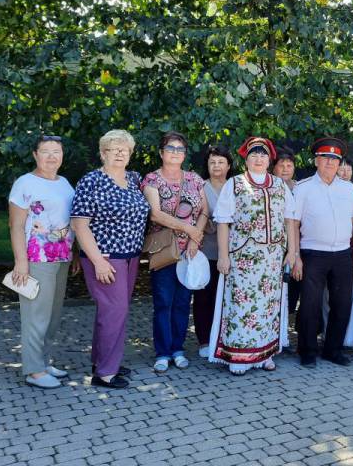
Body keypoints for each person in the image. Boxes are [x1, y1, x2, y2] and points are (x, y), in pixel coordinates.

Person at [208, 137, 297, 374]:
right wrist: (224, 256)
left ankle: (265, 353)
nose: (259, 159)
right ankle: (239, 355)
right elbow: (223, 222)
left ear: (270, 160)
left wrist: (292, 251)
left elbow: (290, 219)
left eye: (263, 155)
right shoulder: (235, 184)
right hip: (243, 258)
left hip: (273, 258)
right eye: (254, 155)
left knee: (268, 305)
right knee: (242, 304)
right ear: (246, 159)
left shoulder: (279, 185)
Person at [71, 130, 150, 389]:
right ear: (103, 153)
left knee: (112, 312)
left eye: (124, 149)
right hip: (105, 257)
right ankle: (104, 374)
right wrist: (99, 262)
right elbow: (79, 225)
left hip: (130, 256)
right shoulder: (91, 181)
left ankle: (103, 360)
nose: (119, 153)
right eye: (113, 149)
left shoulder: (134, 178)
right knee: (115, 311)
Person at [290, 137, 353, 368]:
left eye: (335, 159)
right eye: (325, 158)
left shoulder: (348, 189)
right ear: (316, 161)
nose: (330, 163)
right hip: (312, 253)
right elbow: (293, 224)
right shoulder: (303, 188)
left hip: (343, 254)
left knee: (341, 304)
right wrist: (296, 257)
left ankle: (333, 350)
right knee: (310, 305)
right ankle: (308, 351)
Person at [8, 135, 75, 389]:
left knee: (53, 315)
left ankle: (43, 361)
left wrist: (75, 252)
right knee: (36, 314)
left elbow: (71, 221)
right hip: (37, 258)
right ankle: (33, 371)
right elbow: (15, 226)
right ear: (35, 155)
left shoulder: (65, 183)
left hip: (62, 256)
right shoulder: (25, 183)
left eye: (56, 151)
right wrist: (20, 262)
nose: (51, 156)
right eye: (45, 151)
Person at [142, 131, 207, 373]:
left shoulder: (194, 179)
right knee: (163, 303)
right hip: (164, 251)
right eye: (171, 148)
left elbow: (205, 212)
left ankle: (178, 349)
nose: (176, 153)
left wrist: (194, 238)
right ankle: (162, 352)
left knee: (182, 303)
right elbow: (155, 214)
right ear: (161, 153)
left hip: (189, 251)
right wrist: (188, 229)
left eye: (180, 149)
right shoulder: (152, 180)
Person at [194, 145, 233, 358]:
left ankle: (225, 338)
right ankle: (204, 340)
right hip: (206, 252)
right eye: (212, 162)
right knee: (204, 298)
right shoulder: (200, 186)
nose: (216, 166)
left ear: (229, 166)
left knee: (228, 298)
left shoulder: (236, 186)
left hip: (232, 254)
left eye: (220, 162)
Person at [272, 145, 300, 316]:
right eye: (281, 165)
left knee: (293, 289)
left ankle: (285, 329)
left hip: (297, 245)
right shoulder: (268, 186)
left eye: (289, 165)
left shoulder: (300, 188)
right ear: (273, 167)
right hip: (274, 244)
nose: (285, 169)